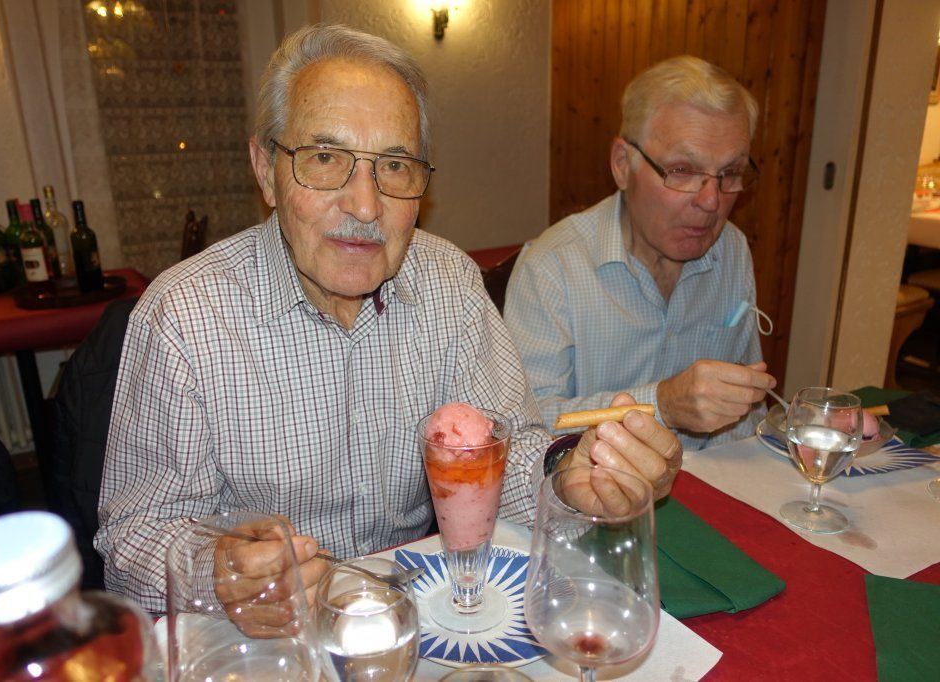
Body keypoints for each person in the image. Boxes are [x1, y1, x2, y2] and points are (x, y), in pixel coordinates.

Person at [96, 24, 682, 622]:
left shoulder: (450, 283)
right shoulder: (183, 318)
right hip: (270, 640)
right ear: (266, 170)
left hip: (417, 616)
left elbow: (506, 452)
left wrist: (568, 478)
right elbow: (131, 540)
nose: (365, 205)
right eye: (325, 158)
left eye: (395, 166)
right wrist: (219, 574)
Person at [505, 55, 776, 451]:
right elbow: (522, 426)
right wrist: (661, 405)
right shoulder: (552, 267)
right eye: (683, 170)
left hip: (713, 478)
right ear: (622, 165)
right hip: (596, 483)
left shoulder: (731, 250)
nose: (711, 201)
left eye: (730, 173)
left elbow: (747, 413)